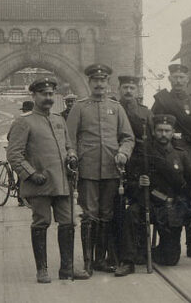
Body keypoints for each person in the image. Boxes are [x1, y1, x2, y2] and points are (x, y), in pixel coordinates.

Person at [6, 77, 89, 283]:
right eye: (44, 94)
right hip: (39, 184)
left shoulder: (59, 120)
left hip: (62, 183)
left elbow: (69, 145)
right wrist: (31, 174)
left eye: (51, 94)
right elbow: (14, 154)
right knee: (41, 222)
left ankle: (67, 269)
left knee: (69, 222)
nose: (48, 97)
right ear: (34, 96)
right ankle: (42, 270)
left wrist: (71, 155)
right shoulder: (23, 122)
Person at [66, 64, 135, 276]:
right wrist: (72, 154)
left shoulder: (116, 108)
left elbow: (128, 137)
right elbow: (68, 138)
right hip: (87, 170)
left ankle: (100, 260)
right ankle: (87, 263)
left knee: (107, 215)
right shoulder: (80, 107)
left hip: (111, 170)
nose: (99, 84)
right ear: (89, 83)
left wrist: (123, 152)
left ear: (108, 83)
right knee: (89, 215)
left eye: (103, 80)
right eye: (95, 81)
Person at [116, 114, 191, 275]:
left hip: (170, 207)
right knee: (131, 213)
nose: (163, 134)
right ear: (154, 131)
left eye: (167, 130)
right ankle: (128, 261)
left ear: (173, 132)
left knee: (170, 259)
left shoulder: (181, 155)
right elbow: (128, 183)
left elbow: (190, 185)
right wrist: (139, 183)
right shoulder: (142, 154)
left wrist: (185, 206)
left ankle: (148, 251)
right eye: (160, 130)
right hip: (148, 203)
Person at [151, 63, 191, 258]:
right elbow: (153, 126)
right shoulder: (161, 100)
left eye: (181, 78)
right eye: (175, 77)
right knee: (169, 197)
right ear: (169, 79)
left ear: (188, 80)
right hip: (167, 156)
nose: (178, 81)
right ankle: (167, 239)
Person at [118, 75, 154, 264]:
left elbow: (153, 140)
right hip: (118, 160)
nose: (129, 91)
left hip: (140, 162)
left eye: (132, 87)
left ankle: (140, 249)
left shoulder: (145, 113)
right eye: (125, 87)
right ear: (119, 89)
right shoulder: (115, 109)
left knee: (139, 205)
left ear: (137, 90)